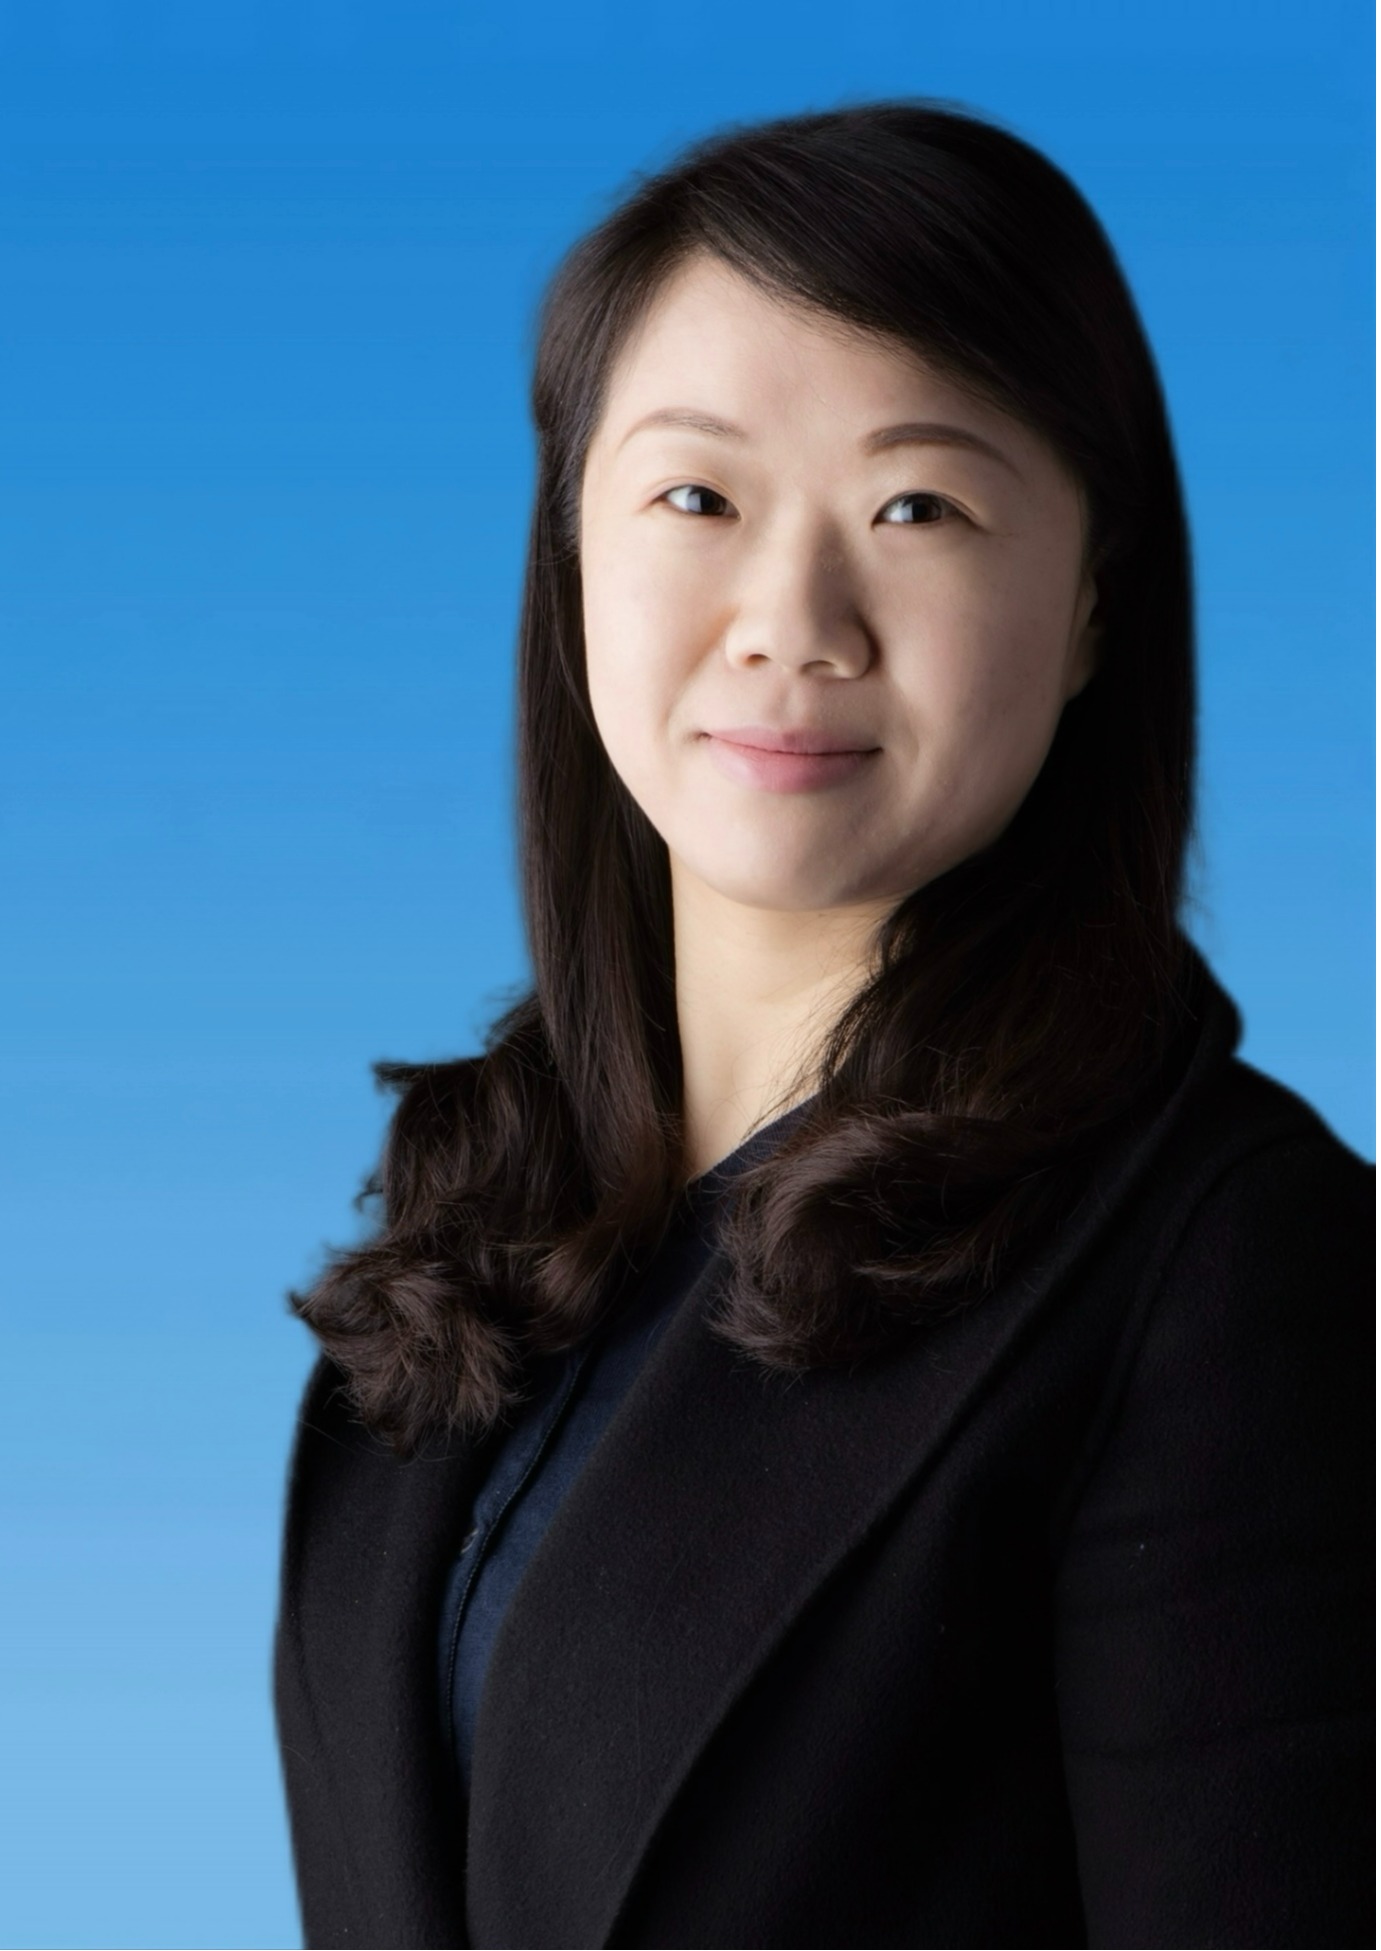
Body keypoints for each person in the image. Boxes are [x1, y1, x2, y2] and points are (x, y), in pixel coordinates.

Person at [273, 102, 1373, 1950]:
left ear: (1090, 605)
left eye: (915, 507)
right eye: (697, 499)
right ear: (571, 554)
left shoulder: (1235, 1271)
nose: (791, 622)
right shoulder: (481, 1216)